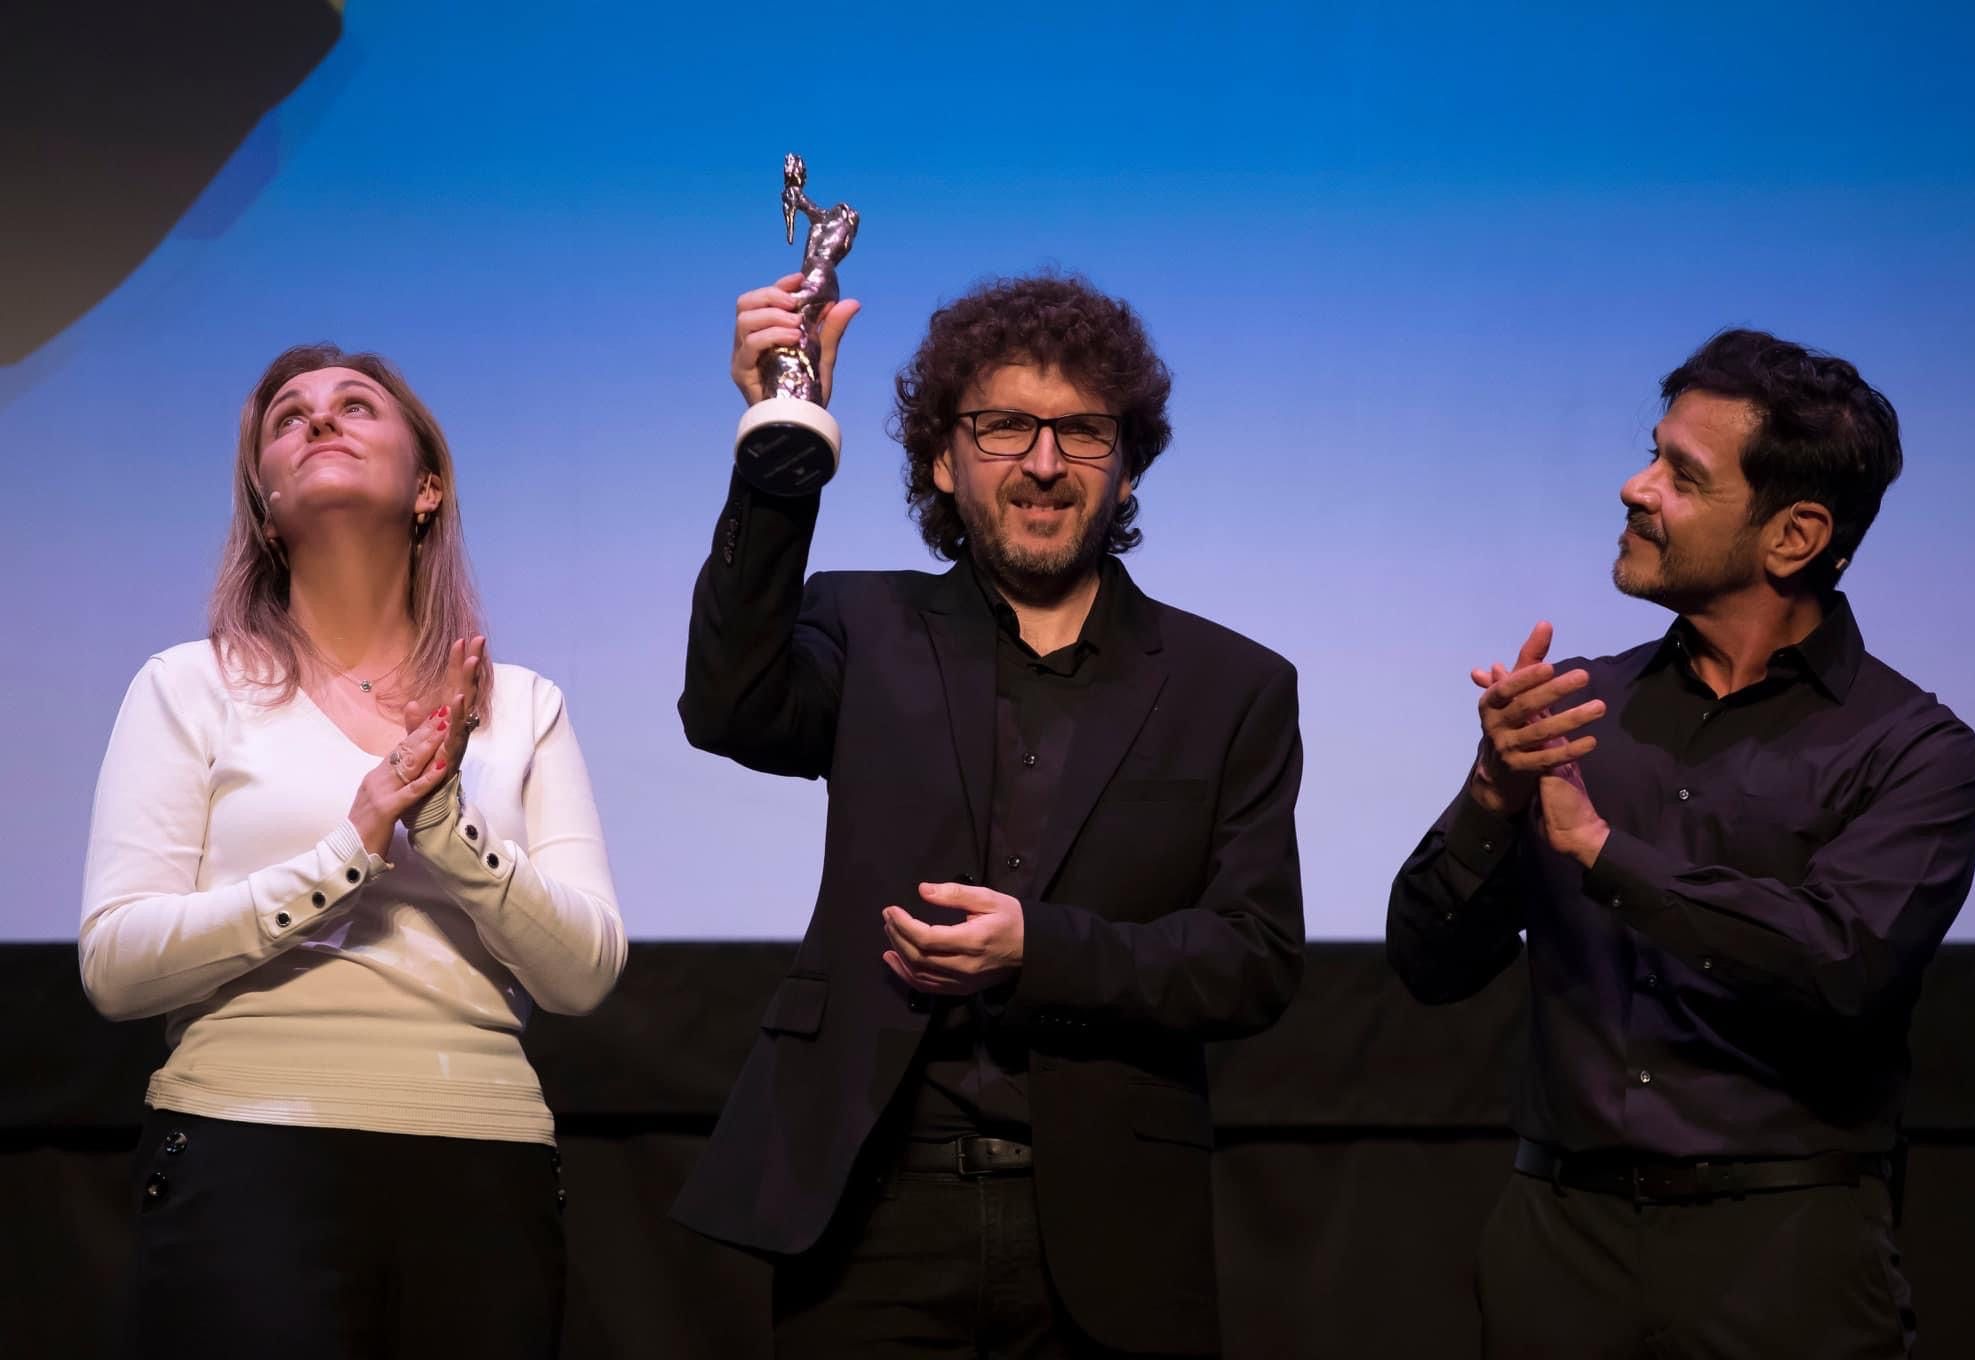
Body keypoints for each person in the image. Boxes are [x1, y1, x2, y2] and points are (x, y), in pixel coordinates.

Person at [674, 273, 1305, 1358]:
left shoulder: (1231, 684)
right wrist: (778, 441)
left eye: (1083, 431)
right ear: (940, 457)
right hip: (869, 1206)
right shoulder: (858, 625)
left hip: (1112, 1224)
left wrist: (1038, 950)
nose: (1045, 462)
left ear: (1128, 459)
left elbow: (1251, 959)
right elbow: (728, 706)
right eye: (1005, 427)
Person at [1388, 329, 1975, 1358]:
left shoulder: (1911, 750)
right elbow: (1429, 962)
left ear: (1791, 536)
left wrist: (1602, 853)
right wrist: (1489, 790)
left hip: (1781, 1256)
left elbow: (1838, 960)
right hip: (1556, 1246)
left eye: (1679, 473)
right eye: (1648, 453)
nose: (1633, 485)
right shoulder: (1576, 711)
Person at [80, 344, 627, 1360]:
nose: (318, 421)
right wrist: (350, 847)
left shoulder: (522, 705)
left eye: (354, 405)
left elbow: (584, 972)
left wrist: (445, 832)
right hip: (243, 1155)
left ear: (427, 488)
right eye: (288, 417)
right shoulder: (187, 685)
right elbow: (116, 966)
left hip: (483, 1158)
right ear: (267, 502)